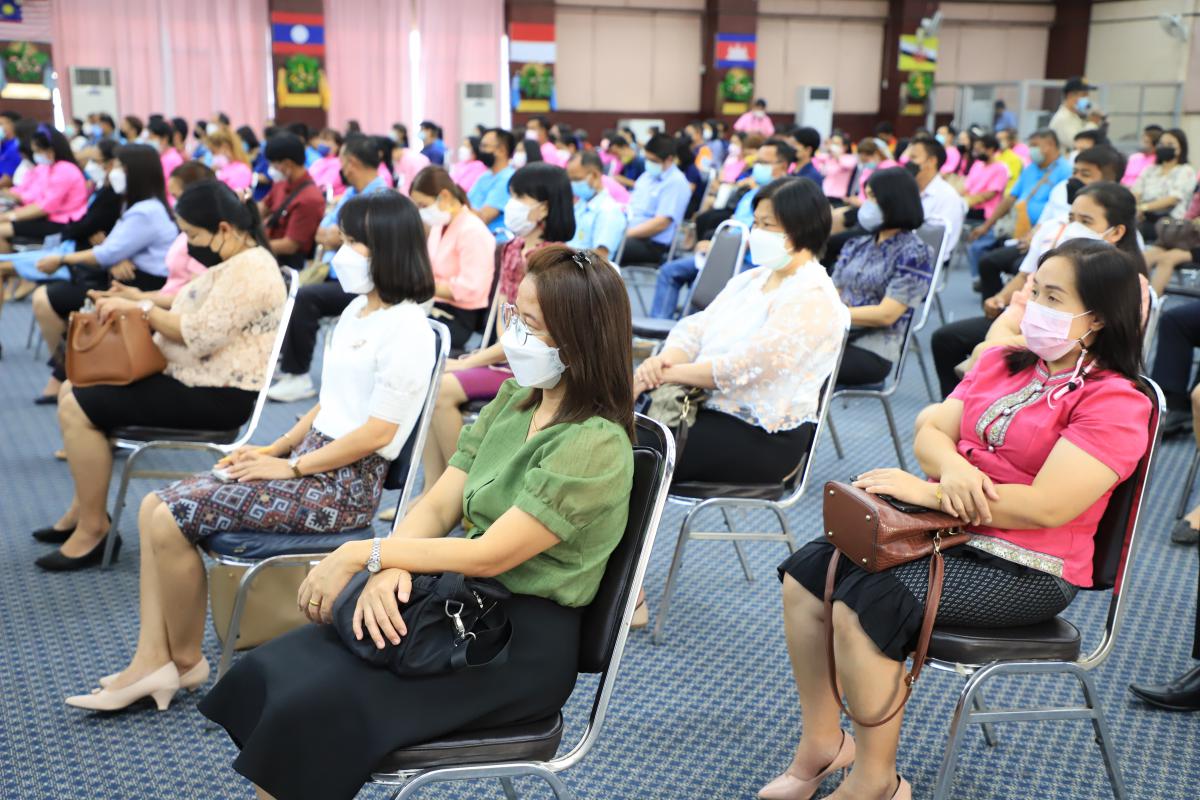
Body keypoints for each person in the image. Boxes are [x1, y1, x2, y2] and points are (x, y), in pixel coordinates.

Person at [195, 244, 634, 800]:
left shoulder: (594, 443)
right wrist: (390, 567)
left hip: (514, 644)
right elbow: (438, 505)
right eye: (515, 316)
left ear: (578, 340)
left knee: (314, 706)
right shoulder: (517, 399)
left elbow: (491, 554)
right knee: (284, 668)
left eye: (530, 324)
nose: (513, 334)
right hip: (463, 602)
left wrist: (368, 553)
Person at [765, 239, 1151, 800]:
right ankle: (824, 743)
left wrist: (935, 491)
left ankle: (877, 781)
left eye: (1052, 297)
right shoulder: (1002, 362)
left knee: (868, 600)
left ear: (1096, 319)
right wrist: (951, 469)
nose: (1031, 304)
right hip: (948, 534)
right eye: (1034, 290)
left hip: (1031, 568)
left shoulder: (1115, 402)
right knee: (809, 574)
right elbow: (930, 431)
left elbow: (1048, 506)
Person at [61, 191, 437, 714]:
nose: (341, 252)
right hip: (312, 464)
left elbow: (377, 433)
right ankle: (153, 659)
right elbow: (330, 402)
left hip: (342, 489)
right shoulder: (357, 309)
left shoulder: (409, 329)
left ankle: (179, 662)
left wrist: (291, 466)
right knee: (152, 508)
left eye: (355, 242)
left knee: (170, 514)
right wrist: (275, 447)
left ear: (390, 249)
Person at [30, 180, 287, 571]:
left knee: (77, 405)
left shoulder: (250, 270)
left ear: (223, 228)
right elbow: (193, 305)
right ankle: (84, 511)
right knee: (72, 388)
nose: (189, 243)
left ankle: (94, 529)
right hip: (195, 379)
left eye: (192, 235)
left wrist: (142, 310)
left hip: (218, 395)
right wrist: (138, 300)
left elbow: (199, 335)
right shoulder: (240, 261)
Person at [636, 176, 847, 484]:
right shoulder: (752, 280)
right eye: (756, 222)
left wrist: (662, 375)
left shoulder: (812, 296)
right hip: (701, 404)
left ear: (800, 228)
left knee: (631, 453)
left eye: (767, 225)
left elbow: (745, 367)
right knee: (610, 434)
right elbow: (694, 329)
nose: (756, 232)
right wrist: (664, 361)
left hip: (760, 433)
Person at [420, 162, 576, 490]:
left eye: (520, 197)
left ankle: (459, 488)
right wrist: (484, 355)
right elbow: (507, 322)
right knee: (430, 379)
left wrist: (469, 361)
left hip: (535, 366)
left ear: (544, 207)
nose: (511, 204)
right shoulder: (514, 248)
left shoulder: (555, 260)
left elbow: (532, 335)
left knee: (441, 388)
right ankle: (432, 488)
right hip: (507, 356)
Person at [939, 182, 1149, 398]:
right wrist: (994, 349)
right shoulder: (1054, 266)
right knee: (953, 346)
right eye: (1071, 219)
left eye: (1086, 222)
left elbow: (1100, 345)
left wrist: (995, 351)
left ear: (1116, 232)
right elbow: (1011, 315)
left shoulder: (1130, 285)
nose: (1074, 228)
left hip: (1064, 367)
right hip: (1028, 354)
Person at [28, 144, 177, 401]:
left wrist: (61, 259)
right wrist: (115, 255)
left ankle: (67, 375)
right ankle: (68, 374)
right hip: (128, 280)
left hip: (143, 285)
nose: (111, 172)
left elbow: (107, 252)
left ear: (135, 172)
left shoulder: (145, 211)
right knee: (80, 308)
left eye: (118, 167)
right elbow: (112, 249)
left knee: (84, 311)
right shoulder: (135, 205)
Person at [268, 134, 391, 403]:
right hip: (337, 273)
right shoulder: (352, 194)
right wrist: (341, 236)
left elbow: (358, 240)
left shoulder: (382, 198)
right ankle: (287, 363)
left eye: (342, 161)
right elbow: (321, 234)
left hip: (366, 283)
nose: (340, 167)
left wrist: (339, 236)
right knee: (291, 288)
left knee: (305, 298)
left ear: (351, 163)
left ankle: (298, 375)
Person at [648, 139, 794, 319]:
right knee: (669, 271)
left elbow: (759, 237)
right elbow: (734, 224)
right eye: (757, 161)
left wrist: (720, 249)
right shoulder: (751, 193)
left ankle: (690, 331)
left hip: (750, 263)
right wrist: (714, 245)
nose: (757, 166)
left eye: (763, 162)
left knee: (703, 283)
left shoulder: (784, 198)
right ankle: (661, 327)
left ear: (783, 166)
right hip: (725, 253)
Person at [0, 139, 124, 333]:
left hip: (77, 257)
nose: (91, 166)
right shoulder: (101, 188)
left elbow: (79, 224)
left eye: (96, 161)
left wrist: (11, 215)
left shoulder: (111, 195)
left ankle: (60, 351)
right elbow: (84, 225)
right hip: (71, 246)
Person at [831, 168, 934, 386]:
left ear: (894, 201)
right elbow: (832, 293)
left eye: (872, 197)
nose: (866, 204)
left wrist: (832, 314)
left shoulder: (915, 253)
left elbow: (886, 315)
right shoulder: (857, 245)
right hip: (834, 335)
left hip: (872, 348)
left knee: (799, 364)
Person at [409, 166, 495, 349]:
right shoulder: (439, 226)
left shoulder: (473, 231)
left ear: (444, 196)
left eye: (423, 205)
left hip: (460, 318)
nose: (421, 212)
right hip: (435, 306)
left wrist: (424, 286)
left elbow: (471, 287)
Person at [967, 129, 1071, 278]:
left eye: (1035, 145)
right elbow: (1010, 198)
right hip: (1015, 229)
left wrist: (1035, 234)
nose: (1031, 150)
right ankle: (989, 290)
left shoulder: (1065, 171)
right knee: (984, 258)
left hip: (1041, 236)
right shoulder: (1030, 169)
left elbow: (1059, 213)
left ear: (1050, 145)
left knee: (1017, 267)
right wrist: (986, 225)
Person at [0, 125, 89, 250]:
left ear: (51, 150)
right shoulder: (50, 167)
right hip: (49, 217)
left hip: (62, 223)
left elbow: (45, 206)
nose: (35, 155)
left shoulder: (64, 170)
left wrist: (11, 216)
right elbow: (38, 199)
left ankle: (8, 262)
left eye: (38, 151)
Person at [257, 134, 325, 272]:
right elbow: (262, 208)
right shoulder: (282, 183)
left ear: (288, 164)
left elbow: (290, 245)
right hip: (268, 253)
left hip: (286, 264)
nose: (271, 169)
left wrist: (254, 247)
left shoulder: (310, 199)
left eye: (273, 164)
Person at [621, 133, 691, 265]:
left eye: (653, 160)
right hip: (628, 230)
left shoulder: (676, 182)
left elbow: (661, 223)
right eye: (647, 159)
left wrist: (625, 234)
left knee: (604, 247)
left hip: (650, 243)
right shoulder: (647, 176)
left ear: (669, 159)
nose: (648, 163)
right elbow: (631, 202)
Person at [1132, 128, 1195, 240]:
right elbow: (1136, 191)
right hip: (1144, 218)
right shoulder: (1150, 169)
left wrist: (1144, 208)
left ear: (1181, 148)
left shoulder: (1185, 171)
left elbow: (1173, 199)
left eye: (1170, 144)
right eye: (1161, 144)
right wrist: (1136, 208)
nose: (1165, 147)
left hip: (1170, 222)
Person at [566, 150, 627, 260]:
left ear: (595, 175)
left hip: (586, 268)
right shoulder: (581, 203)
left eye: (576, 179)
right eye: (570, 180)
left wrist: (566, 261)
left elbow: (600, 256)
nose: (572, 184)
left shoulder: (608, 211)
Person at [466, 128, 516, 236]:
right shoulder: (485, 176)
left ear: (501, 150)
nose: (481, 150)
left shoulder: (508, 179)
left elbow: (483, 217)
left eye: (485, 146)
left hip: (495, 240)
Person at [960, 134, 1010, 221]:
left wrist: (967, 201)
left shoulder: (1000, 168)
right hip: (969, 209)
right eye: (975, 150)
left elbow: (990, 194)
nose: (976, 153)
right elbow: (967, 187)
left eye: (979, 150)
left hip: (984, 214)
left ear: (990, 150)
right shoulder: (977, 165)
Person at [1049, 76, 1098, 151]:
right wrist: (1092, 123)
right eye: (1084, 95)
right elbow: (1079, 144)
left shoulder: (1074, 116)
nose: (1087, 98)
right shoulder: (1063, 118)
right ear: (1070, 95)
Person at [390, 124, 430, 195]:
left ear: (396, 149)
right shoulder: (401, 159)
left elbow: (414, 182)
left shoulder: (410, 159)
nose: (391, 157)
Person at [147, 119, 184, 184]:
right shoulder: (161, 156)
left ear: (164, 138)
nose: (149, 140)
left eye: (152, 137)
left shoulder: (173, 159)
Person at [995, 128, 1024, 194]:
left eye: (1001, 139)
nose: (998, 142)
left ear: (1008, 141)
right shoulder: (994, 156)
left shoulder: (1015, 158)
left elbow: (1013, 181)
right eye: (997, 140)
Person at [0, 110, 22, 179]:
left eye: (1, 124)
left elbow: (8, 178)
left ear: (12, 125)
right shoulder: (3, 144)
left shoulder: (16, 146)